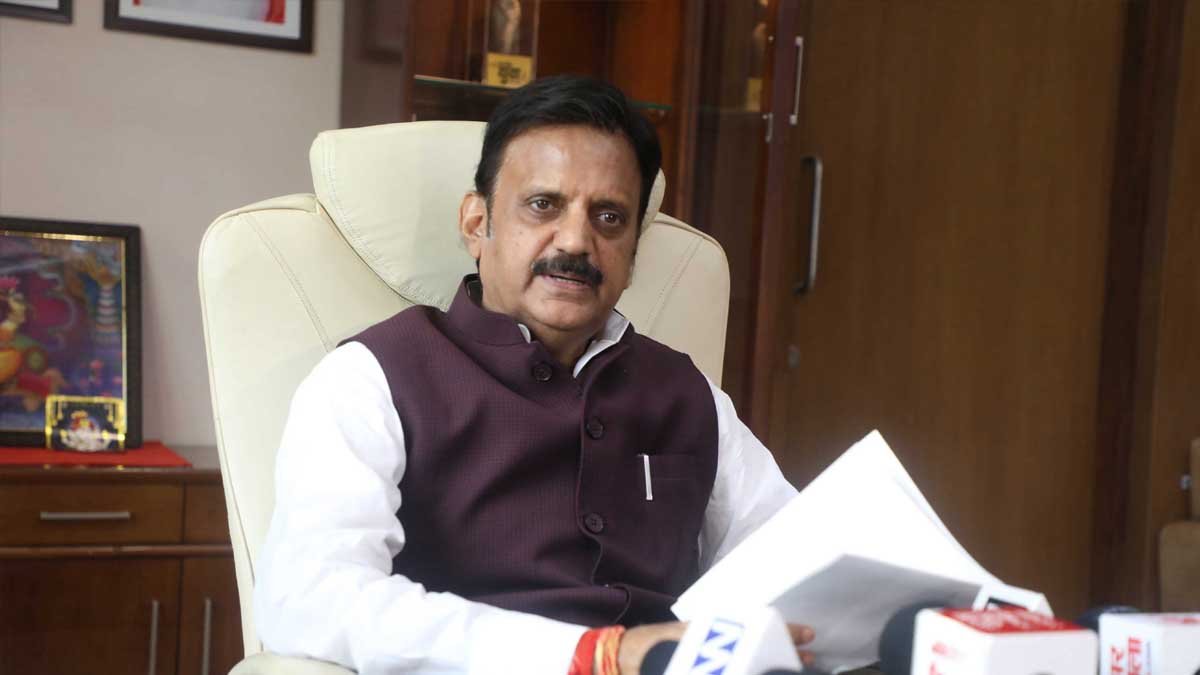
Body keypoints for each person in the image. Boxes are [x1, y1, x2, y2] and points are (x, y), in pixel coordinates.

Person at [255, 75, 807, 675]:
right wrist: (595, 656)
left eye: (609, 217)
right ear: (477, 223)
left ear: (632, 253)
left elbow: (794, 560)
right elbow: (310, 598)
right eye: (543, 205)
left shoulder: (687, 394)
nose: (576, 241)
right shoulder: (371, 379)